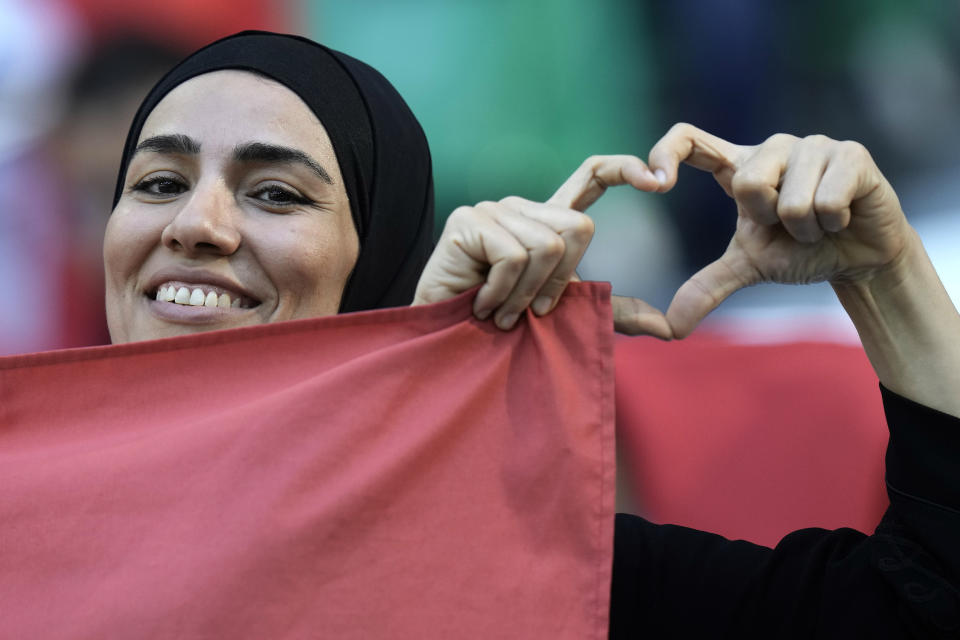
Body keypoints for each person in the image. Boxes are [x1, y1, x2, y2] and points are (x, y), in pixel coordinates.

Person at [105, 31, 959, 637]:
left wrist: (885, 277)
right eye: (158, 181)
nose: (197, 223)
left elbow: (924, 607)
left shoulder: (530, 572)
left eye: (277, 194)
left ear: (380, 267)